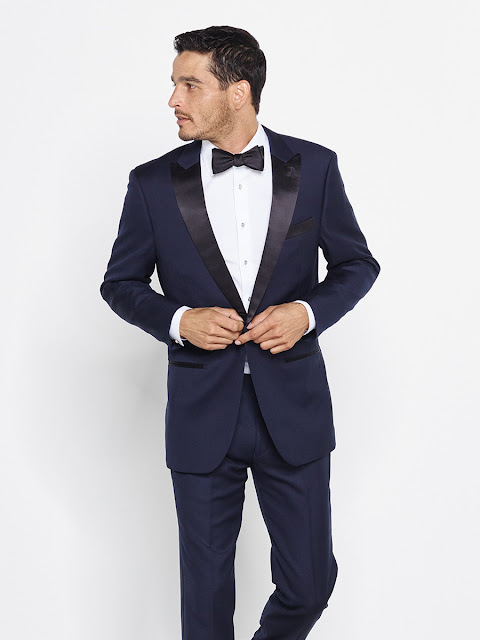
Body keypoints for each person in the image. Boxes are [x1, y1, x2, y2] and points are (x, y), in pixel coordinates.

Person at [100, 25, 380, 640]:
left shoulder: (315, 166)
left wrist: (306, 311)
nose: (173, 99)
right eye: (174, 84)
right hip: (202, 411)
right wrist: (180, 321)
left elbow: (357, 265)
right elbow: (119, 284)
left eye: (189, 84)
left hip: (294, 409)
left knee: (310, 584)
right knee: (204, 605)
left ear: (238, 91)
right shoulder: (151, 183)